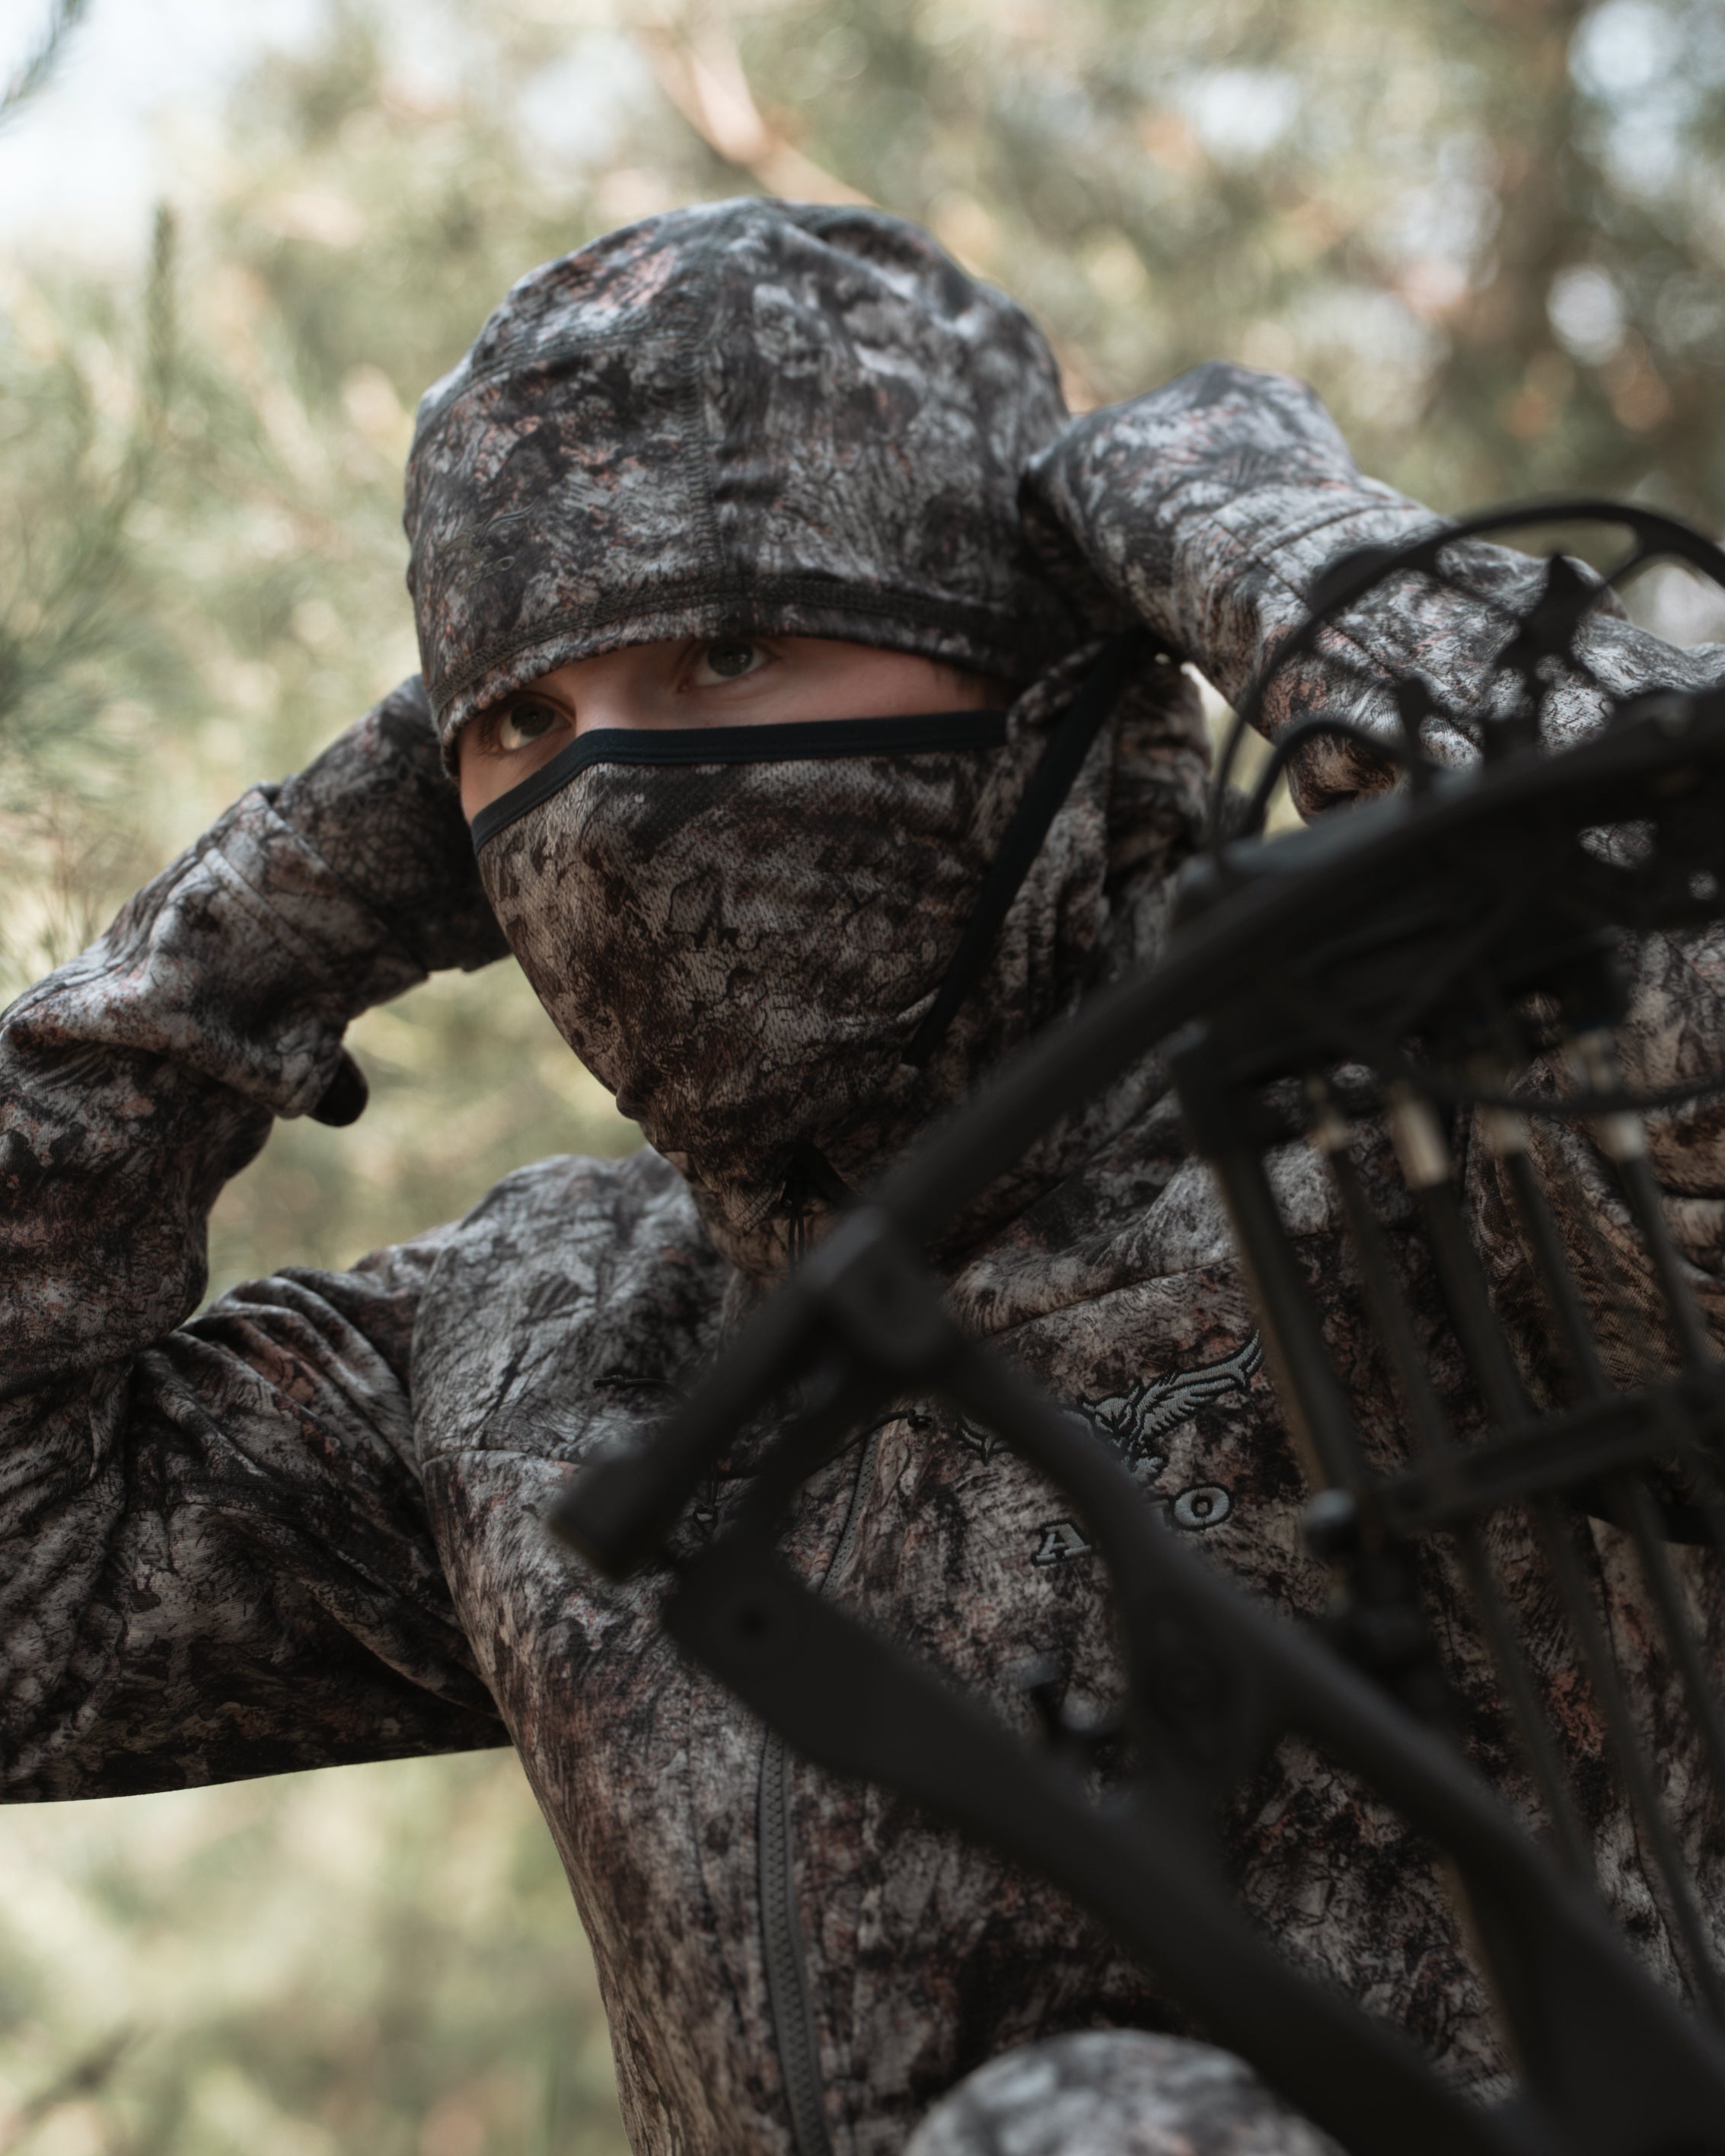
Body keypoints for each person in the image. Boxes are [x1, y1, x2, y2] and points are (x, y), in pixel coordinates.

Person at [3, 196, 1721, 2156]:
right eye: (514, 723)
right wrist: (274, 912)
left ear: (1035, 666)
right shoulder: (521, 1351)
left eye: (731, 648)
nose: (606, 805)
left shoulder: (1438, 1148)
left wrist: (1273, 545)